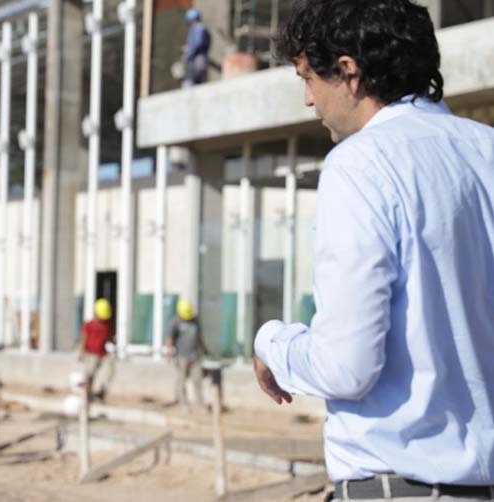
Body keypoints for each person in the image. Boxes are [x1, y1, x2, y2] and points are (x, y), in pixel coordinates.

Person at [252, 1, 494, 500]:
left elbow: (348, 366)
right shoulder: (486, 150)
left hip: (402, 484)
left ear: (348, 72)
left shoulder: (360, 165)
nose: (307, 102)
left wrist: (272, 345)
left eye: (307, 79)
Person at [166, 299, 207, 409]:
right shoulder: (175, 322)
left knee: (197, 380)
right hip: (181, 356)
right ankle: (183, 403)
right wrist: (168, 353)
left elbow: (200, 336)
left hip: (195, 355)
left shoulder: (195, 320)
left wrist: (204, 349)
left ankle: (200, 404)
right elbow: (170, 339)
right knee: (181, 380)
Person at [78, 298, 116, 402]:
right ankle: (87, 395)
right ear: (96, 314)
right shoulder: (89, 325)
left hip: (103, 353)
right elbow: (84, 338)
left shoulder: (107, 325)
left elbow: (109, 336)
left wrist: (113, 341)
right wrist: (81, 352)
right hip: (91, 354)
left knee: (109, 371)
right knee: (90, 374)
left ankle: (101, 392)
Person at [181, 8, 211, 87]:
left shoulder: (198, 28)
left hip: (197, 59)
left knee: (191, 81)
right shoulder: (198, 29)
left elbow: (197, 43)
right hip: (199, 59)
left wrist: (187, 53)